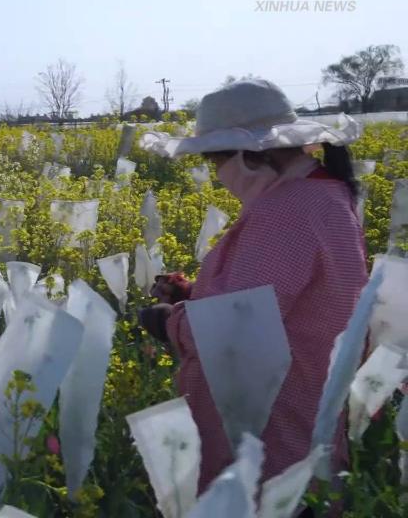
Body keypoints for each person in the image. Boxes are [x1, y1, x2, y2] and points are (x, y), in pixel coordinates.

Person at [137, 79, 367, 499]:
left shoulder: (290, 210)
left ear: (247, 155)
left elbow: (237, 328)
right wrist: (192, 296)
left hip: (272, 429)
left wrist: (169, 324)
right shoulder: (323, 195)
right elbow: (278, 296)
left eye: (215, 162)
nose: (217, 175)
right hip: (307, 407)